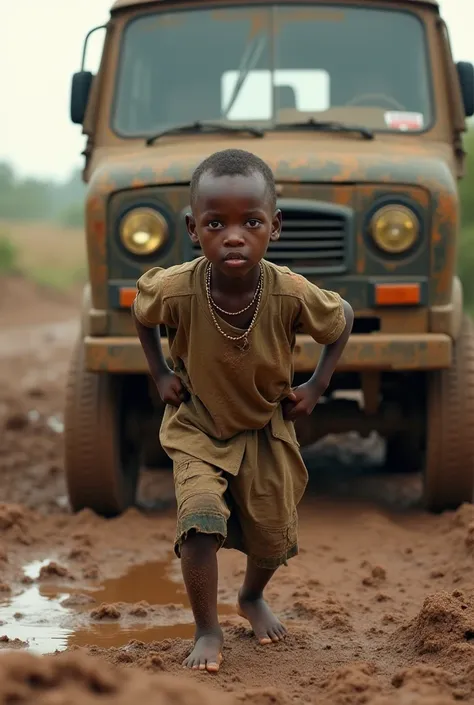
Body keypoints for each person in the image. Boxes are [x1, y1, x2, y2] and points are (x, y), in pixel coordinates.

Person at [132, 148, 354, 673]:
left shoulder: (290, 291)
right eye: (216, 223)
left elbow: (341, 315)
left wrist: (318, 384)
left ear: (273, 227)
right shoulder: (179, 287)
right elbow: (140, 309)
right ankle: (207, 628)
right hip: (198, 425)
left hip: (264, 426)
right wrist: (161, 373)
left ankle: (251, 596)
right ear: (193, 228)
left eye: (250, 222)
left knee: (272, 533)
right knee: (200, 520)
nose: (234, 235)